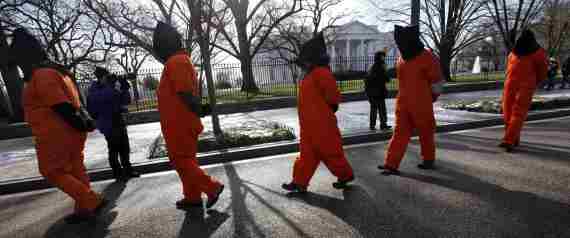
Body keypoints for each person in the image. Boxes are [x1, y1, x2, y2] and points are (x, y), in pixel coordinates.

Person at [5, 28, 106, 223]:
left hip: (55, 134)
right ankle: (84, 209)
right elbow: (74, 102)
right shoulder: (58, 72)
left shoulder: (42, 75)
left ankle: (91, 201)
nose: (19, 67)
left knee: (52, 172)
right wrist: (83, 124)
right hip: (69, 132)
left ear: (25, 57)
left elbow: (60, 105)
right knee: (76, 170)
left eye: (19, 61)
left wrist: (80, 124)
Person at [153, 22, 224, 209]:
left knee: (180, 161)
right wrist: (199, 109)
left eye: (158, 48)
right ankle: (192, 196)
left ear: (164, 45)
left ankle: (212, 187)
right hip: (181, 122)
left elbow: (184, 93)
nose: (157, 53)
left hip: (179, 124)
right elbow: (186, 94)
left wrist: (199, 109)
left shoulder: (176, 62)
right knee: (187, 161)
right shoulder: (179, 61)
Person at [282, 33, 354, 193]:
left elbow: (333, 96)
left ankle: (345, 175)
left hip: (322, 125)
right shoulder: (311, 74)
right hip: (309, 125)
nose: (303, 64)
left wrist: (329, 109)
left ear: (312, 59)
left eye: (305, 61)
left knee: (331, 153)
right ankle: (299, 182)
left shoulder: (320, 72)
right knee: (306, 155)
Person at [377, 25, 443, 175]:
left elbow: (437, 81)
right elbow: (436, 83)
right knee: (400, 133)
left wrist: (431, 97)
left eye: (401, 43)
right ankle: (391, 164)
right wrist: (431, 96)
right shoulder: (404, 58)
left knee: (425, 132)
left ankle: (428, 159)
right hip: (405, 103)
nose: (400, 46)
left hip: (419, 103)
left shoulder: (426, 57)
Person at [87, 67, 140, 182]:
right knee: (114, 148)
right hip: (107, 123)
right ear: (100, 78)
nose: (109, 79)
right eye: (107, 77)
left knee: (125, 147)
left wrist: (124, 87)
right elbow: (102, 98)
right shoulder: (94, 89)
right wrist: (112, 87)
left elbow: (126, 101)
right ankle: (117, 173)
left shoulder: (111, 87)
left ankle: (128, 170)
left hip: (118, 120)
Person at [499, 29, 548, 152]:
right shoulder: (539, 53)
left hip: (511, 85)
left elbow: (509, 69)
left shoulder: (513, 53)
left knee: (509, 112)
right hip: (525, 86)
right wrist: (537, 82)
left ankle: (510, 139)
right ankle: (511, 139)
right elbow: (542, 71)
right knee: (517, 113)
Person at [365, 51, 391, 131]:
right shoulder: (381, 67)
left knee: (374, 109)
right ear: (380, 58)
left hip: (371, 93)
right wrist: (386, 70)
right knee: (382, 109)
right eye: (383, 57)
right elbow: (387, 79)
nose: (384, 58)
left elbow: (367, 80)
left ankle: (372, 125)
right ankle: (383, 124)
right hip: (379, 92)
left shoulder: (372, 67)